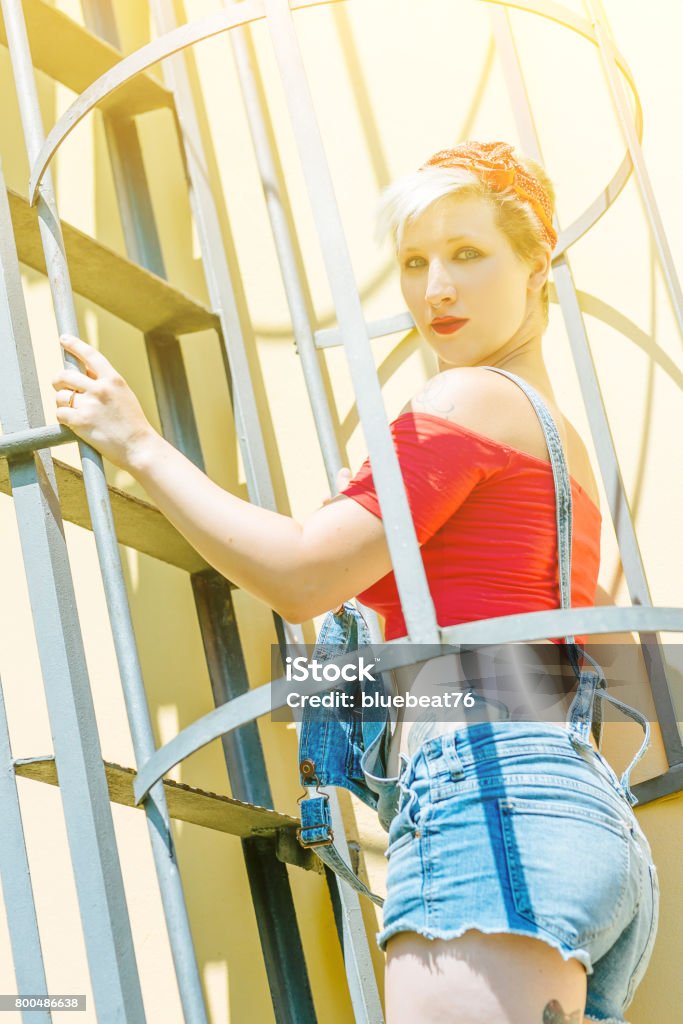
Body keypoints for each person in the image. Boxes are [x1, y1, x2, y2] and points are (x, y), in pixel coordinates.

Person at [54, 140, 658, 1024]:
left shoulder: (463, 400)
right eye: (413, 263)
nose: (433, 291)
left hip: (490, 806)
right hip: (576, 822)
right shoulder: (561, 450)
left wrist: (139, 443)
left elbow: (302, 574)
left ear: (539, 264)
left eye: (466, 255)